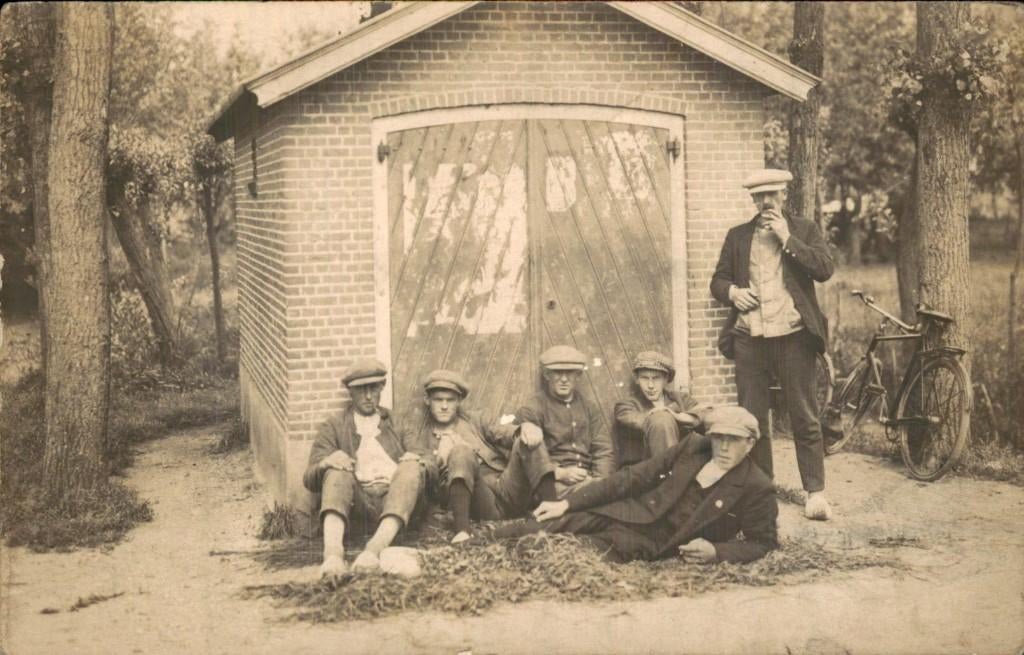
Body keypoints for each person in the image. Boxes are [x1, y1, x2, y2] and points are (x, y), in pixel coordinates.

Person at [710, 168, 835, 520]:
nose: (766, 202)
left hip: (793, 336)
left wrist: (787, 240)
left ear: (783, 196)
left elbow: (825, 268)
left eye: (772, 195)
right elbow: (717, 280)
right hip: (751, 338)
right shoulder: (737, 236)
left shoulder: (804, 229)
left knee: (804, 415)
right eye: (759, 196)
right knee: (752, 419)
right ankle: (762, 491)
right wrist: (733, 292)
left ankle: (815, 493)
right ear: (752, 199)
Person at [521, 406, 778, 564]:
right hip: (631, 513)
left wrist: (717, 552)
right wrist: (567, 503)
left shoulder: (757, 486)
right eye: (718, 438)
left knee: (568, 548)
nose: (723, 447)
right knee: (555, 522)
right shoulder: (693, 448)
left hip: (654, 542)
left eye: (733, 440)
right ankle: (482, 539)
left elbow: (762, 544)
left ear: (750, 443)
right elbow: (634, 477)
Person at [303, 359, 432, 578]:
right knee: (337, 469)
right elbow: (309, 478)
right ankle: (333, 555)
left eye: (374, 388)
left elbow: (429, 461)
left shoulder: (397, 422)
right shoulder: (334, 425)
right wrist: (327, 461)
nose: (369, 396)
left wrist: (417, 461)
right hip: (357, 508)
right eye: (361, 391)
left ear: (382, 387)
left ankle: (373, 551)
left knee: (411, 466)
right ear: (350, 392)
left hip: (395, 508)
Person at [419, 369, 559, 544]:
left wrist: (524, 428)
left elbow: (502, 432)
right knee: (461, 451)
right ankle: (462, 532)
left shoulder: (475, 420)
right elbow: (427, 483)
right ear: (427, 401)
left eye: (451, 400)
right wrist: (440, 459)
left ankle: (553, 514)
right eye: (438, 400)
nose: (445, 406)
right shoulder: (421, 436)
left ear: (459, 402)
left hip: (508, 488)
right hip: (480, 500)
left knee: (528, 437)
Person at [513, 345, 616, 497]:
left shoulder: (589, 407)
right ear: (547, 375)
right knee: (598, 495)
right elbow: (527, 456)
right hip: (552, 482)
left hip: (588, 478)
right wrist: (559, 472)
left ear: (578, 375)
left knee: (612, 489)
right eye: (557, 372)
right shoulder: (533, 408)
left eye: (569, 373)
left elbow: (603, 450)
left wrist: (600, 480)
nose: (564, 379)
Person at [613, 350, 710, 467]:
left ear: (666, 379)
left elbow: (708, 413)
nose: (650, 385)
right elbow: (645, 421)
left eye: (656, 378)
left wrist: (681, 416)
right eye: (644, 378)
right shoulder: (626, 406)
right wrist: (666, 415)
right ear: (636, 379)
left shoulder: (681, 399)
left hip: (683, 468)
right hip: (643, 472)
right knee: (662, 419)